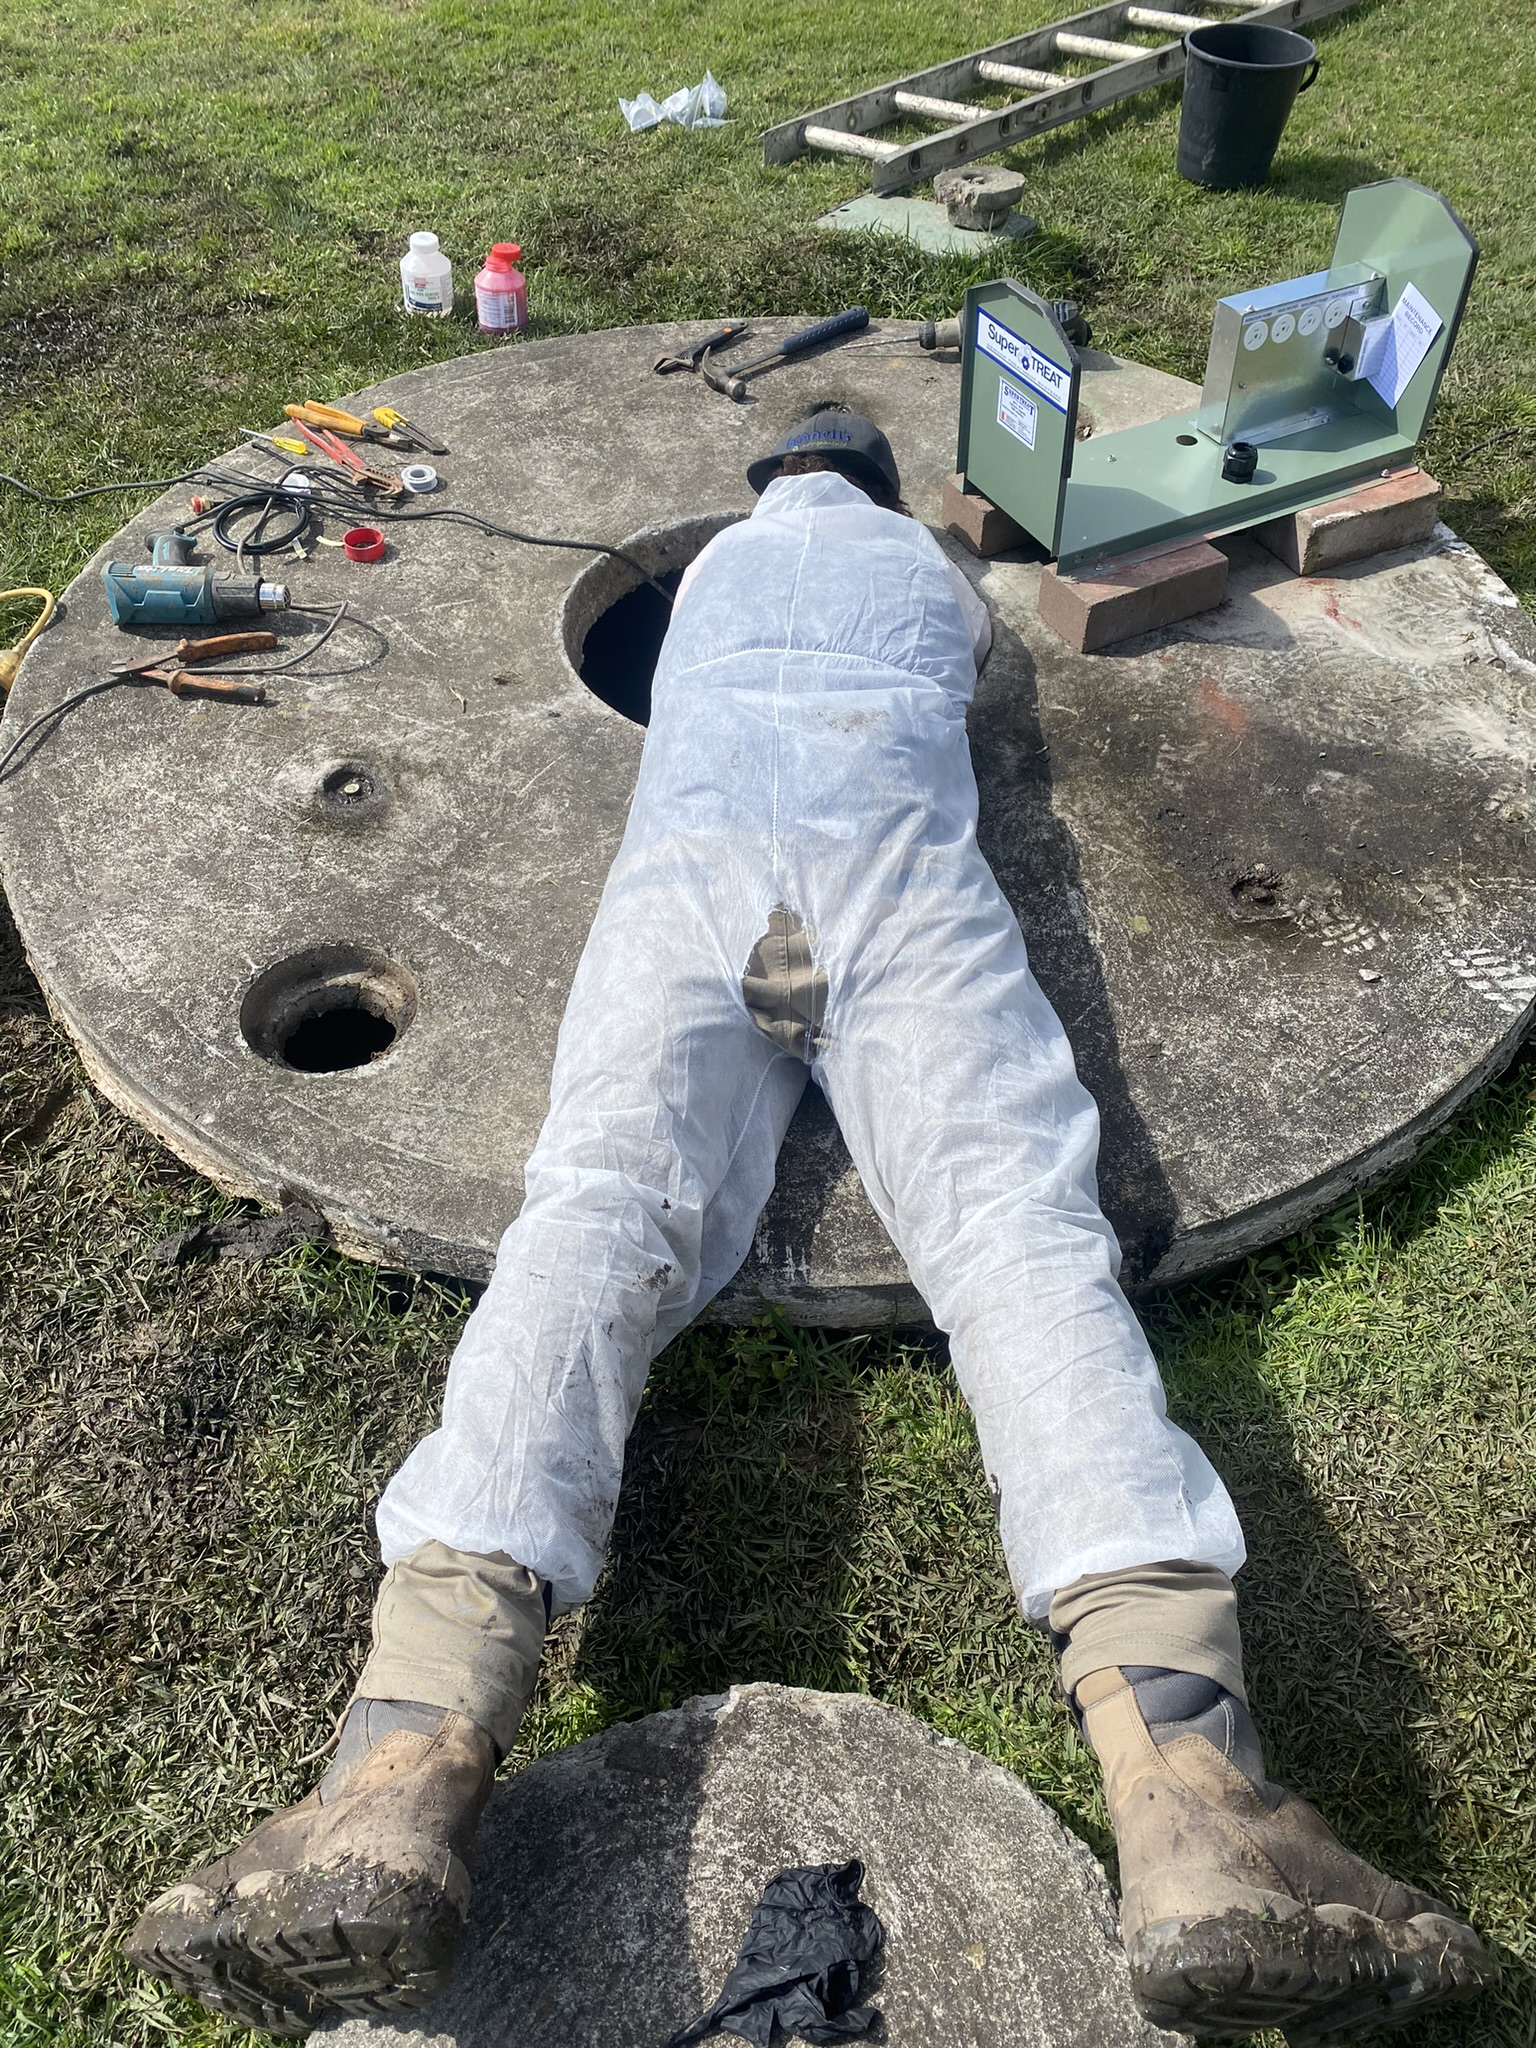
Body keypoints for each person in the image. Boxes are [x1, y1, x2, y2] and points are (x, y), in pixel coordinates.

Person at [126, 412, 1493, 2040]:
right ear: (876, 489)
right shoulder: (934, 584)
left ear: (769, 484)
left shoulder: (705, 585)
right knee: (1010, 1238)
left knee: (591, 1226)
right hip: (900, 889)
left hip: (688, 892)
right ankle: (1193, 1785)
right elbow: (971, 698)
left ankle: (400, 1761)